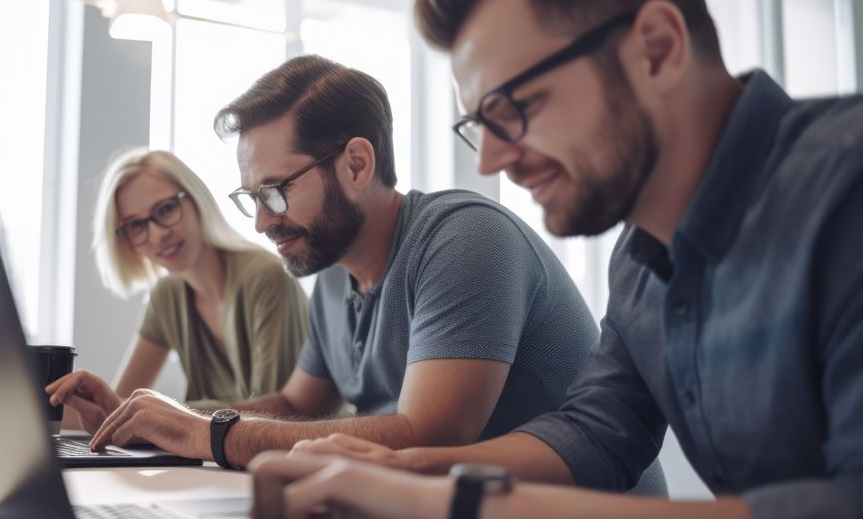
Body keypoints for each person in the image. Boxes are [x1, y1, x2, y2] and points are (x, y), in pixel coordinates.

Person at [251, 0, 863, 519]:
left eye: (516, 107)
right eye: (479, 123)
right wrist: (397, 471)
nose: (491, 161)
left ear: (657, 50)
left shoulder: (845, 187)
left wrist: (455, 506)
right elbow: (597, 432)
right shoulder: (639, 262)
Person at [52, 55, 651, 486]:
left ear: (357, 164)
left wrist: (208, 433)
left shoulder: (466, 238)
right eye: (251, 198)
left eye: (275, 192)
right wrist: (159, 419)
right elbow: (293, 403)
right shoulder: (332, 271)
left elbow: (431, 433)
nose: (261, 222)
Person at [52, 148, 309, 433]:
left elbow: (279, 414)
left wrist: (160, 413)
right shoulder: (166, 296)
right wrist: (37, 410)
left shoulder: (266, 277)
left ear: (196, 199)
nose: (158, 234)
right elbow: (116, 407)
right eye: (137, 225)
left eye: (165, 209)